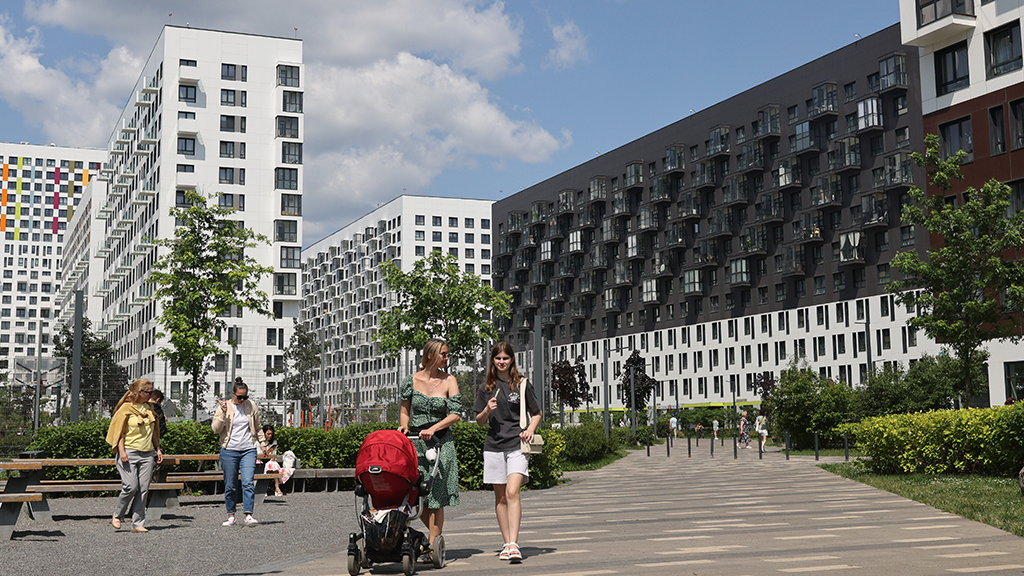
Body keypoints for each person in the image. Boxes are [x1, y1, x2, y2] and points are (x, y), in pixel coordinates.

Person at [474, 342, 541, 564]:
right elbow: (479, 421)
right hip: (493, 446)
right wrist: (487, 409)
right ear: (492, 361)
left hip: (517, 445)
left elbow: (537, 412)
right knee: (501, 497)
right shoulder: (486, 387)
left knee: (513, 492)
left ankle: (514, 543)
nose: (501, 361)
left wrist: (530, 429)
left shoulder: (522, 384)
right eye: (498, 358)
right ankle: (506, 543)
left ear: (512, 359)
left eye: (505, 358)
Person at [397, 337, 461, 560]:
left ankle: (433, 546)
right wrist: (404, 426)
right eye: (443, 354)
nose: (447, 358)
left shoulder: (449, 380)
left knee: (436, 497)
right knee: (417, 494)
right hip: (416, 442)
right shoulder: (411, 381)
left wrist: (433, 428)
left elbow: (456, 414)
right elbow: (404, 410)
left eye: (447, 354)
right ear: (430, 355)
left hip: (441, 442)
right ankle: (433, 541)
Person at [105, 378, 162, 533]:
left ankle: (137, 524)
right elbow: (119, 432)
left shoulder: (149, 408)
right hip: (129, 451)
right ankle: (118, 515)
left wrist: (157, 448)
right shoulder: (126, 408)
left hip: (147, 453)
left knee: (143, 489)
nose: (151, 395)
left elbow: (153, 431)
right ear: (139, 392)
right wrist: (121, 451)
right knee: (131, 487)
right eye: (149, 392)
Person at [212, 377, 268, 527]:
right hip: (229, 450)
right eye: (239, 397)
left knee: (248, 482)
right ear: (233, 394)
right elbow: (215, 429)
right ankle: (231, 516)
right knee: (230, 485)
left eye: (245, 397)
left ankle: (248, 515)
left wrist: (263, 444)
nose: (242, 400)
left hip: (248, 449)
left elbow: (258, 427)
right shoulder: (225, 406)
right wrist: (223, 413)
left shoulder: (251, 406)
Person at [259, 425, 284, 497]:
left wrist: (272, 458)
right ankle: (273, 488)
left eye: (271, 434)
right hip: (261, 461)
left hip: (270, 461)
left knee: (272, 464)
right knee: (270, 465)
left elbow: (274, 454)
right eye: (268, 434)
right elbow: (259, 453)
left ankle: (276, 488)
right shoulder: (259, 442)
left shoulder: (274, 442)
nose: (270, 436)